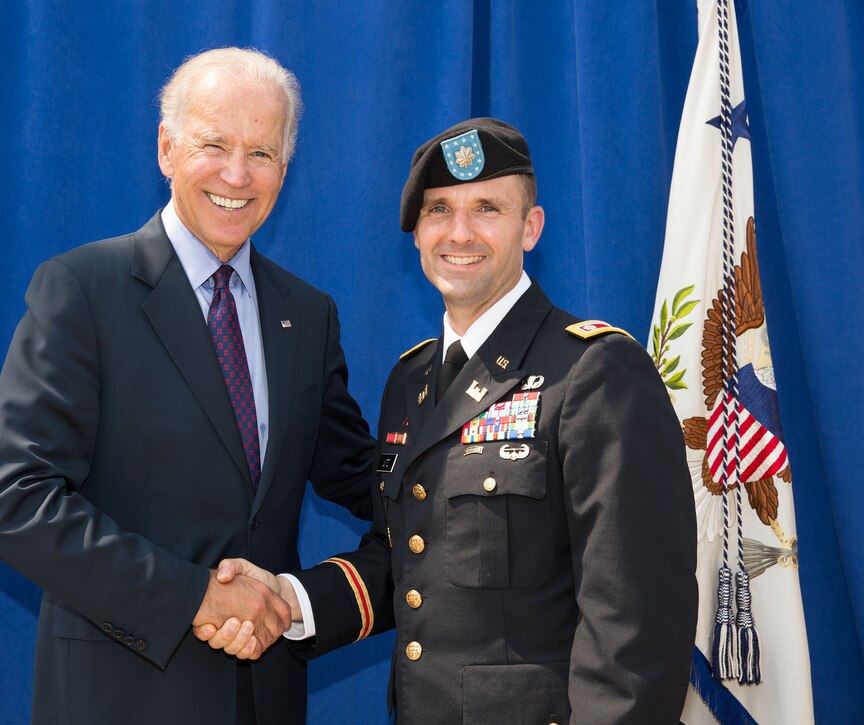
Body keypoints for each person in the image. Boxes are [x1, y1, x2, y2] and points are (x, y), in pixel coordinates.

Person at [200, 118, 698, 723]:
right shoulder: (411, 382)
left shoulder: (595, 372)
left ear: (530, 227)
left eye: (487, 208)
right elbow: (407, 557)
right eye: (438, 210)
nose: (459, 233)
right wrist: (289, 599)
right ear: (415, 234)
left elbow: (637, 621)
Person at [0, 47, 375, 725]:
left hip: (265, 700)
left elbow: (363, 476)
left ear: (285, 167)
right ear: (166, 148)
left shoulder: (307, 315)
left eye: (262, 153)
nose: (236, 175)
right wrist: (195, 595)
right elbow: (12, 501)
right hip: (119, 697)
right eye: (213, 143)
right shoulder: (83, 291)